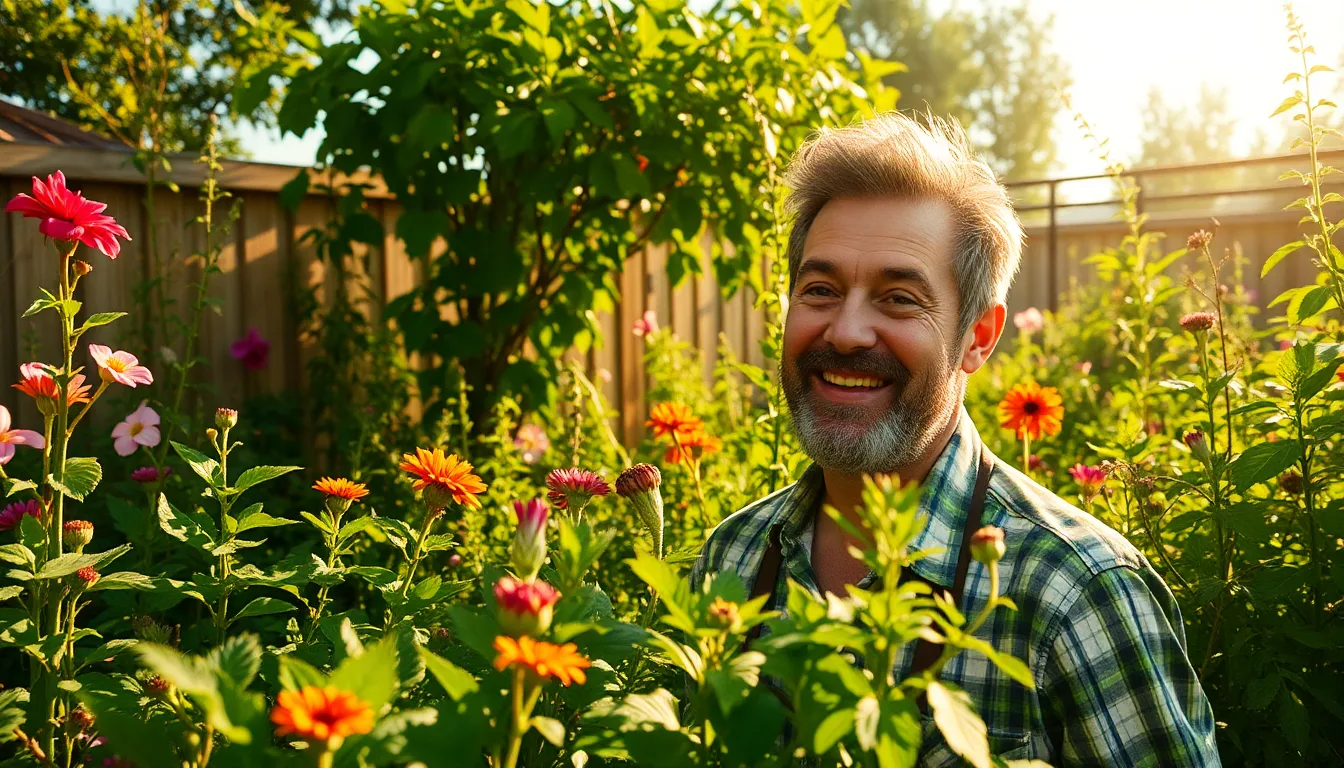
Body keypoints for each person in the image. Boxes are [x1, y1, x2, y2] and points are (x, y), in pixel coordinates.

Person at [689, 112, 1220, 766]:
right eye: (820, 289)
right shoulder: (733, 558)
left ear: (979, 336)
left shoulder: (1074, 589)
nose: (847, 332)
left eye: (899, 299)